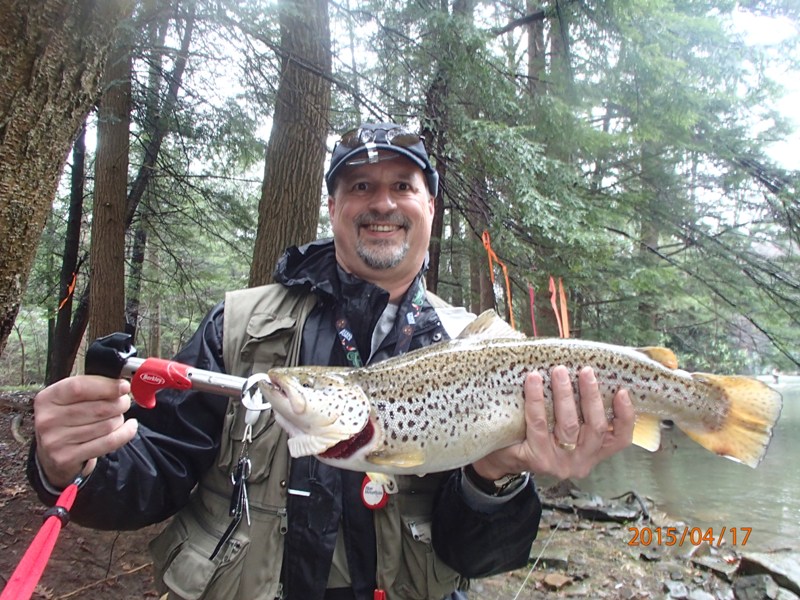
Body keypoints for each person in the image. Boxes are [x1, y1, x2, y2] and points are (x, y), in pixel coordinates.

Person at [28, 122, 635, 600]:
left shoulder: (486, 349)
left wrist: (497, 479)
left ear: (431, 206)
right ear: (332, 205)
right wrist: (74, 464)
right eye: (360, 187)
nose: (382, 203)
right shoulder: (238, 326)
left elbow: (479, 557)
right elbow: (156, 471)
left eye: (403, 186)